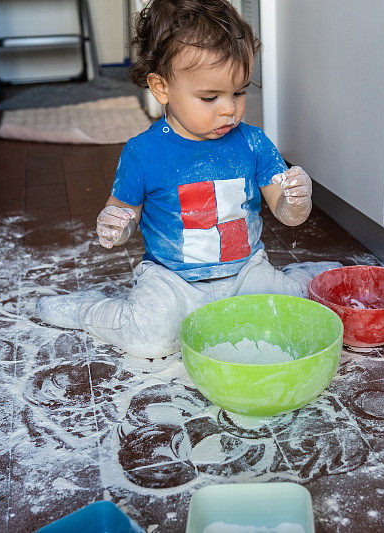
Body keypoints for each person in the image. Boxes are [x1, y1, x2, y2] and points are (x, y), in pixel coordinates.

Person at [36, 0, 339, 358]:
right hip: (171, 279)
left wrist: (297, 201)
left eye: (238, 92)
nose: (229, 108)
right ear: (161, 88)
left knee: (293, 319)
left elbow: (287, 213)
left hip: (244, 273)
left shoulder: (253, 142)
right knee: (149, 341)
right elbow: (123, 213)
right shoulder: (144, 152)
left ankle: (302, 279)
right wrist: (115, 225)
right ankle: (88, 309)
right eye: (210, 97)